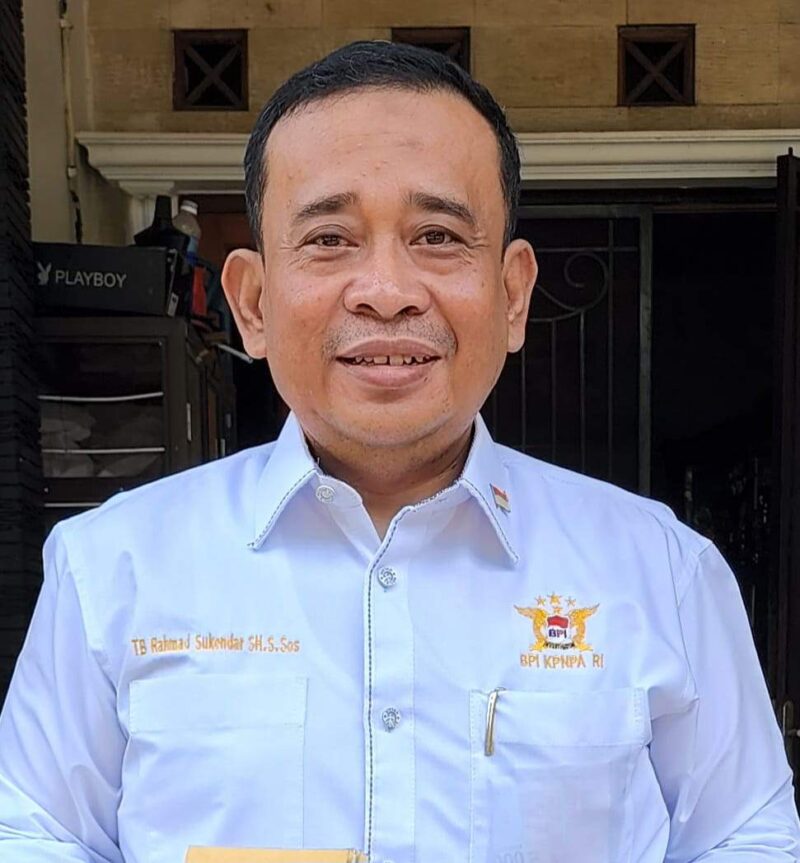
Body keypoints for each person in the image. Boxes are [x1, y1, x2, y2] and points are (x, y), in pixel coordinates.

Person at [0, 40, 798, 863]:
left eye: (438, 235)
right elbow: (36, 834)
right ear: (254, 302)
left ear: (512, 294)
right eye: (330, 238)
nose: (387, 291)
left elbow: (747, 837)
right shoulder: (112, 568)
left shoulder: (662, 572)